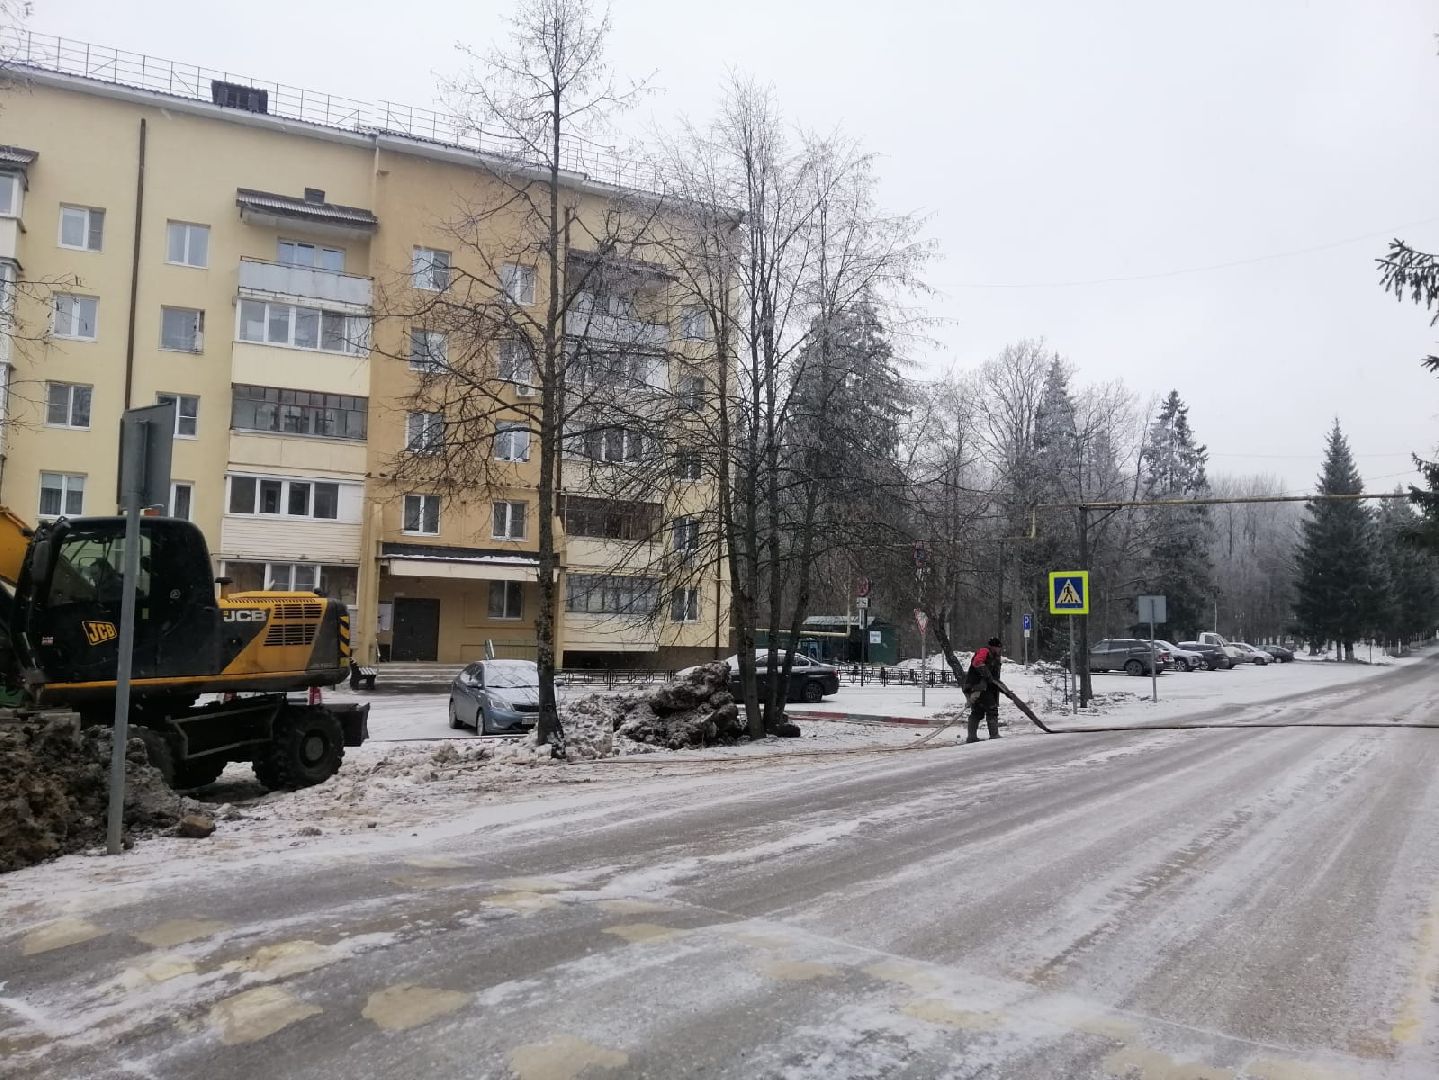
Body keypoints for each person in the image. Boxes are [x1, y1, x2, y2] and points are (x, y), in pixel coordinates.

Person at [962, 637, 1004, 743]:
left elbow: (994, 677)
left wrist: (1001, 687)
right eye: (998, 648)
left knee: (977, 711)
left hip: (983, 687)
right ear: (994, 647)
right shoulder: (984, 651)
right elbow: (977, 662)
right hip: (979, 687)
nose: (999, 650)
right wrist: (987, 675)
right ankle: (994, 734)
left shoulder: (995, 657)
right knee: (992, 709)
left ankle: (971, 737)